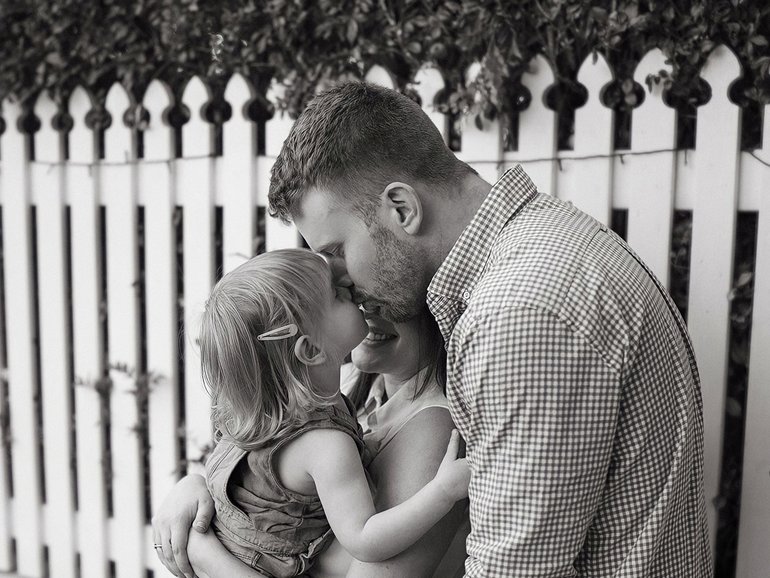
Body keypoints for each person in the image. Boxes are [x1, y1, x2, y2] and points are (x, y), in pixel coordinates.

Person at [264, 82, 713, 576]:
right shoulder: (549, 240)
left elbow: (513, 568)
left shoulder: (518, 311)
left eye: (335, 252)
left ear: (402, 208)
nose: (337, 280)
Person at [163, 248, 469, 578]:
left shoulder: (279, 416)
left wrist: (202, 549)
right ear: (309, 350)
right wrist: (442, 493)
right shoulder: (328, 434)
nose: (357, 296)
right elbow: (364, 538)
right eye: (339, 295)